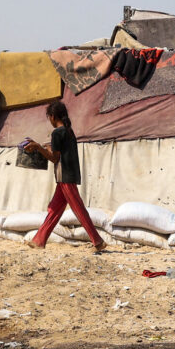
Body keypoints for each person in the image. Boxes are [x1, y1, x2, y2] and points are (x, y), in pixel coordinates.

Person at [22, 101, 106, 252]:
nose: (50, 121)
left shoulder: (57, 133)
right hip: (66, 177)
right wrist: (43, 146)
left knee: (78, 209)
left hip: (65, 176)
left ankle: (98, 241)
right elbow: (61, 151)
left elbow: (54, 158)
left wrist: (38, 147)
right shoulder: (68, 131)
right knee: (53, 210)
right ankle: (39, 240)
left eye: (49, 118)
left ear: (53, 116)